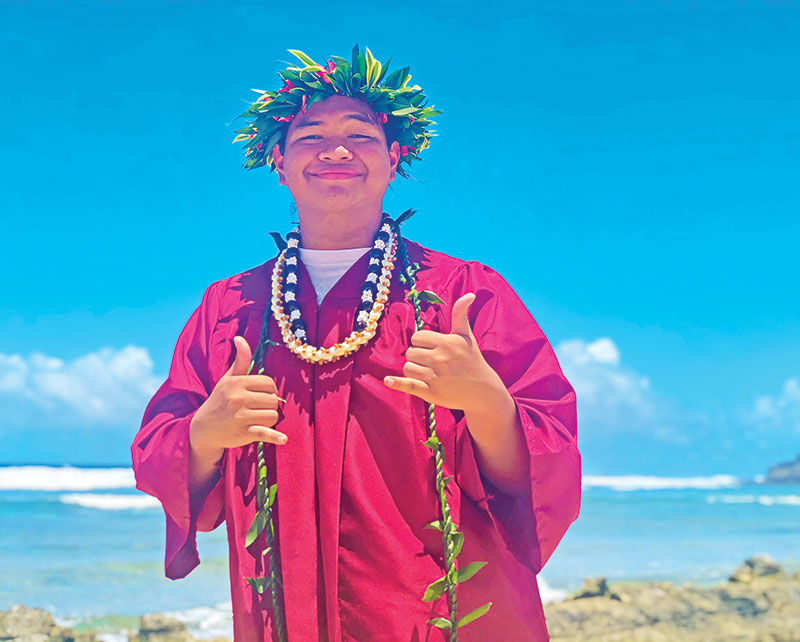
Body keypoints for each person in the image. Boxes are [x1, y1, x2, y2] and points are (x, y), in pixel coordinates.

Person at [131, 45, 581, 642]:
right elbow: (160, 449)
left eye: (360, 135)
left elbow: (548, 463)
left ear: (394, 160)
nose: (336, 150)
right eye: (311, 136)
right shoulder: (230, 307)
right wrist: (205, 435)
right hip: (283, 609)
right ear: (278, 162)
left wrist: (487, 402)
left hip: (442, 610)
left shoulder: (464, 293)